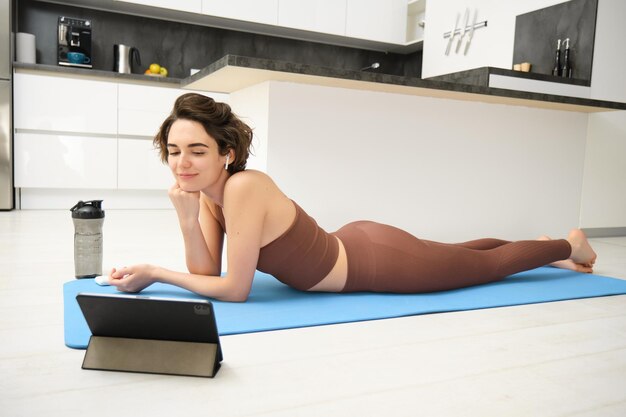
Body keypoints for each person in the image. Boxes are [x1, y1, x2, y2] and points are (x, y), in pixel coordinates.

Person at [109, 93, 597, 302]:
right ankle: (541, 244)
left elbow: (234, 290)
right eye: (173, 151)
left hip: (374, 262)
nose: (182, 163)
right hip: (357, 242)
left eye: (196, 150)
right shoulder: (211, 196)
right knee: (458, 253)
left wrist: (153, 272)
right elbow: (203, 274)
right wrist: (188, 218)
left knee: (481, 269)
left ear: (227, 153)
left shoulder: (242, 187)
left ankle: (567, 246)